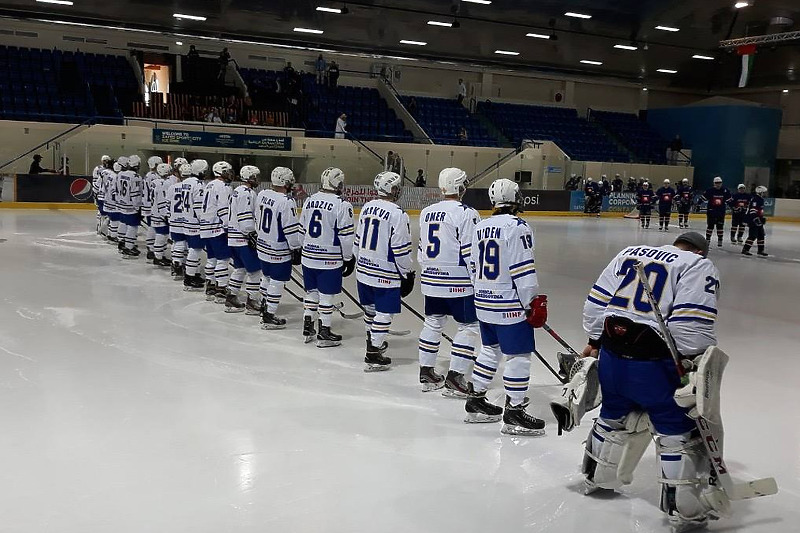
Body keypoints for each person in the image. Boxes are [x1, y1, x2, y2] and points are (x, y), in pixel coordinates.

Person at [580, 231, 725, 533]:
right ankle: (683, 508)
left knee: (613, 416)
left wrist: (595, 340)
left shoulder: (630, 252)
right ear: (701, 251)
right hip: (655, 368)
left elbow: (596, 303)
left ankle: (596, 477)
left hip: (612, 359)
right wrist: (689, 362)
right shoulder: (698, 265)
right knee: (677, 429)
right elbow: (692, 326)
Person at [465, 178, 547, 436]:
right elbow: (522, 269)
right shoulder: (518, 226)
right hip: (509, 302)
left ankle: (475, 399)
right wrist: (531, 301)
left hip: (483, 299)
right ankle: (514, 411)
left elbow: (472, 264)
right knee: (519, 355)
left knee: (490, 349)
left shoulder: (481, 225)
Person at [417, 168, 481, 396]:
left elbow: (421, 250)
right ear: (460, 186)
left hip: (432, 279)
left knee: (432, 322)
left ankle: (426, 372)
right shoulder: (467, 213)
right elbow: (470, 252)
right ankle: (456, 378)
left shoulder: (426, 212)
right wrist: (478, 281)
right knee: (469, 326)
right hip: (459, 282)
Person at [354, 171, 414, 371]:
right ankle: (373, 352)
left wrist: (357, 260)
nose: (398, 190)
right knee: (384, 313)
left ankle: (372, 341)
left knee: (370, 310)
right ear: (391, 188)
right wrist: (407, 272)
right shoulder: (397, 213)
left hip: (363, 268)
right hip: (385, 271)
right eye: (396, 187)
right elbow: (400, 248)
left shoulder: (367, 207)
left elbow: (358, 239)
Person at [299, 167, 355, 346]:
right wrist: (348, 258)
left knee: (311, 292)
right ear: (337, 182)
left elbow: (301, 230)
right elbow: (346, 237)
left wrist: (304, 248)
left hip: (308, 256)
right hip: (329, 259)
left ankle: (308, 325)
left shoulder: (310, 200)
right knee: (326, 295)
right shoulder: (342, 204)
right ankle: (325, 331)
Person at [255, 167, 303, 330]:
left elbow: (256, 217)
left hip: (262, 245)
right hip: (278, 249)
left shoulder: (262, 194)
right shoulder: (286, 201)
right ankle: (269, 315)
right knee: (277, 281)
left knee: (266, 277)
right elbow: (290, 229)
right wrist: (296, 247)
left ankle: (263, 305)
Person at [226, 165, 263, 315]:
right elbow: (245, 217)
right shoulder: (246, 193)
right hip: (243, 239)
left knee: (239, 269)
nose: (258, 180)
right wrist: (251, 233)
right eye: (256, 176)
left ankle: (231, 297)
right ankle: (252, 302)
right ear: (250, 178)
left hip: (233, 238)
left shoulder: (237, 191)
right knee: (255, 271)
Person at [199, 161, 235, 302]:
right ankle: (221, 289)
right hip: (217, 228)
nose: (230, 174)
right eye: (227, 171)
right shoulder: (224, 187)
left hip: (206, 227)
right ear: (221, 172)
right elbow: (223, 208)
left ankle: (210, 285)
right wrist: (227, 226)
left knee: (212, 258)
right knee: (223, 259)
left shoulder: (209, 185)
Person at [116, 155, 144, 258]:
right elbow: (135, 195)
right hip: (131, 206)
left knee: (123, 223)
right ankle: (128, 247)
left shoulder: (120, 174)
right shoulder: (136, 177)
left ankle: (121, 243)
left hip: (121, 204)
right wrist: (138, 208)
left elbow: (117, 189)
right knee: (132, 227)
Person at [150, 162, 174, 267]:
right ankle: (158, 257)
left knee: (162, 235)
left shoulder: (154, 182)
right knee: (161, 235)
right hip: (160, 213)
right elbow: (161, 200)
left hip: (154, 211)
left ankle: (160, 255)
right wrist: (165, 214)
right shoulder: (163, 184)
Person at [142, 156, 163, 260]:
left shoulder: (148, 175)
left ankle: (151, 247)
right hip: (152, 205)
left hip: (148, 204)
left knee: (152, 226)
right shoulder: (155, 177)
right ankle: (151, 248)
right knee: (153, 226)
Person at [702, 176, 731, 248]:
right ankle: (707, 240)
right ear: (714, 183)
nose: (718, 184)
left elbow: (730, 200)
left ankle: (720, 240)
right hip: (711, 211)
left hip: (721, 212)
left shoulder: (725, 190)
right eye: (716, 183)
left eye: (719, 183)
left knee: (720, 227)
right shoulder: (710, 190)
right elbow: (703, 198)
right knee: (710, 227)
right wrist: (697, 204)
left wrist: (733, 206)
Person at [742, 186, 769, 257]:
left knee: (761, 235)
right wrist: (757, 220)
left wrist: (761, 218)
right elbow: (753, 211)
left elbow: (759, 211)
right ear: (760, 192)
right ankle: (745, 249)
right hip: (753, 221)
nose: (765, 194)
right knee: (753, 235)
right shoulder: (756, 199)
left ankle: (760, 250)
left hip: (758, 220)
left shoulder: (760, 199)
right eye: (764, 192)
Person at [92, 155, 112, 236]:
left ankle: (104, 228)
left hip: (104, 194)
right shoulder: (98, 169)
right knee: (100, 211)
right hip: (101, 193)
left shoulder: (109, 170)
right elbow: (95, 181)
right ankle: (99, 226)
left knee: (105, 212)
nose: (105, 161)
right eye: (104, 160)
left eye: (107, 160)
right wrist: (95, 192)